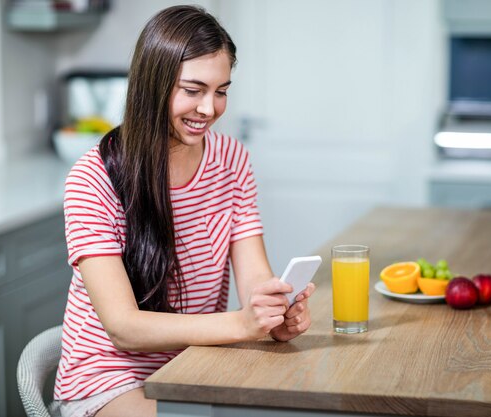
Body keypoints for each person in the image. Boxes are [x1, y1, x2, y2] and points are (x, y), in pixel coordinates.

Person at [51, 5, 315, 417]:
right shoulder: (93, 177)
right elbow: (124, 329)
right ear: (152, 85)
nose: (209, 109)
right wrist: (240, 325)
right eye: (192, 90)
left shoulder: (232, 160)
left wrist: (270, 313)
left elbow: (254, 279)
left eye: (221, 90)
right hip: (110, 378)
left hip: (196, 365)